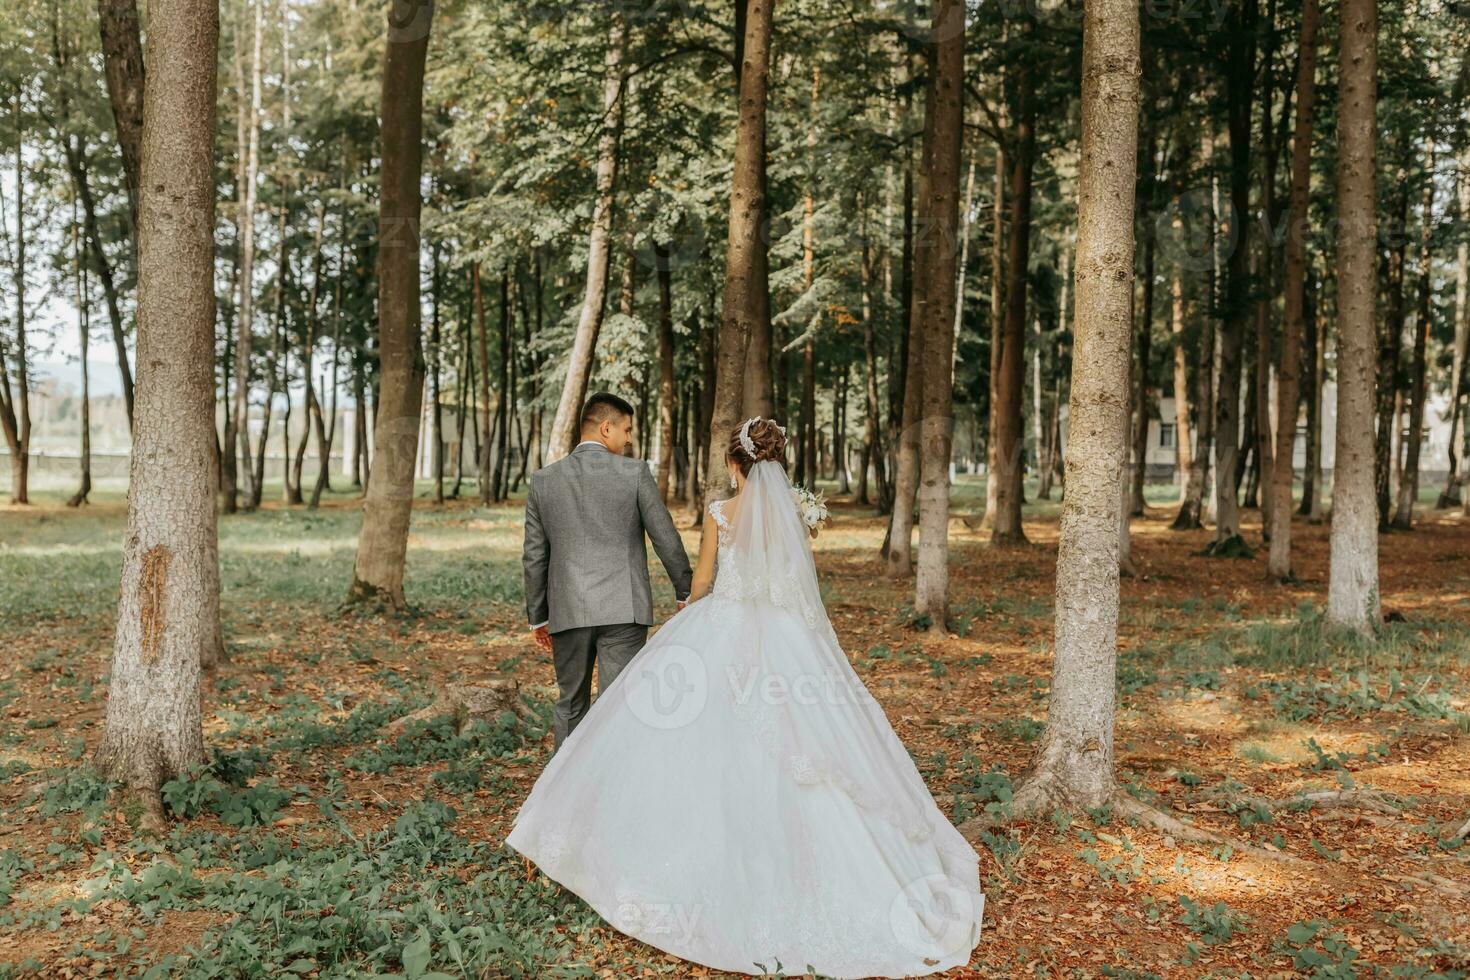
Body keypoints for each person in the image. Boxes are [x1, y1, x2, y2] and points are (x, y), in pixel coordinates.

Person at [507, 415, 985, 978]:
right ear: (773, 465)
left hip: (723, 628)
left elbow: (705, 579)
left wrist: (690, 605)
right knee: (809, 740)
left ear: (736, 464)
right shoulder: (789, 518)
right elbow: (792, 582)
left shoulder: (720, 512)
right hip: (787, 638)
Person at [521, 392, 693, 750]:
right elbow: (665, 537)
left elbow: (535, 556)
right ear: (605, 428)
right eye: (626, 430)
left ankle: (563, 794)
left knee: (570, 704)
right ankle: (613, 798)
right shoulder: (634, 473)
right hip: (623, 610)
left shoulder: (543, 480)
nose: (629, 438)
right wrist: (684, 591)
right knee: (619, 706)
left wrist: (538, 617)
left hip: (567, 609)